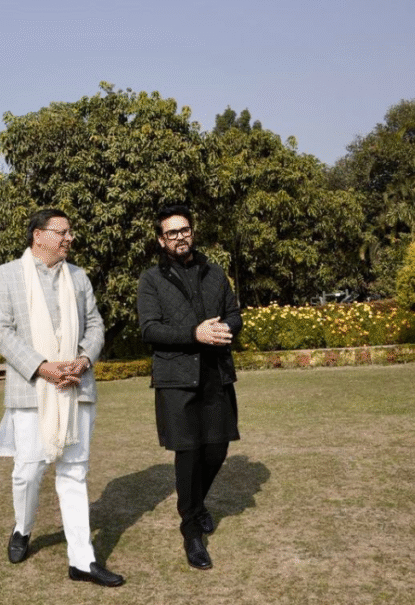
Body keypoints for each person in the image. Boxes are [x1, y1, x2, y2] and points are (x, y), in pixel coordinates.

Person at [0, 208, 124, 588]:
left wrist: (83, 360)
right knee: (28, 470)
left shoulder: (78, 276)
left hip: (76, 388)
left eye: (69, 233)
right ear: (38, 235)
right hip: (32, 389)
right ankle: (23, 527)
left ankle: (81, 560)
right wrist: (42, 366)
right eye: (61, 232)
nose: (69, 238)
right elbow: (0, 330)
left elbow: (95, 323)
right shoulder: (5, 275)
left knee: (74, 472)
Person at [136, 204, 243, 570]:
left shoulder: (215, 273)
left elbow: (233, 313)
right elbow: (149, 329)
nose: (179, 237)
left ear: (192, 232)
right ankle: (191, 532)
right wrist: (194, 334)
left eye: (184, 230)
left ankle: (196, 506)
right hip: (176, 379)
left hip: (216, 374)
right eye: (171, 233)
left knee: (216, 450)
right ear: (161, 239)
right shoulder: (151, 280)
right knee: (189, 453)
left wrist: (227, 328)